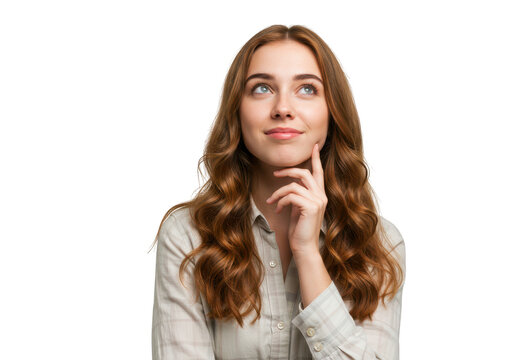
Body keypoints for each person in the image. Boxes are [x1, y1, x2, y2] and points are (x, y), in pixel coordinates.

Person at [151, 24, 406, 360]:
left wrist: (308, 254)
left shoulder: (379, 244)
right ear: (236, 111)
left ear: (332, 112)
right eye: (261, 88)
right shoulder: (188, 235)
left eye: (307, 89)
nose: (283, 108)